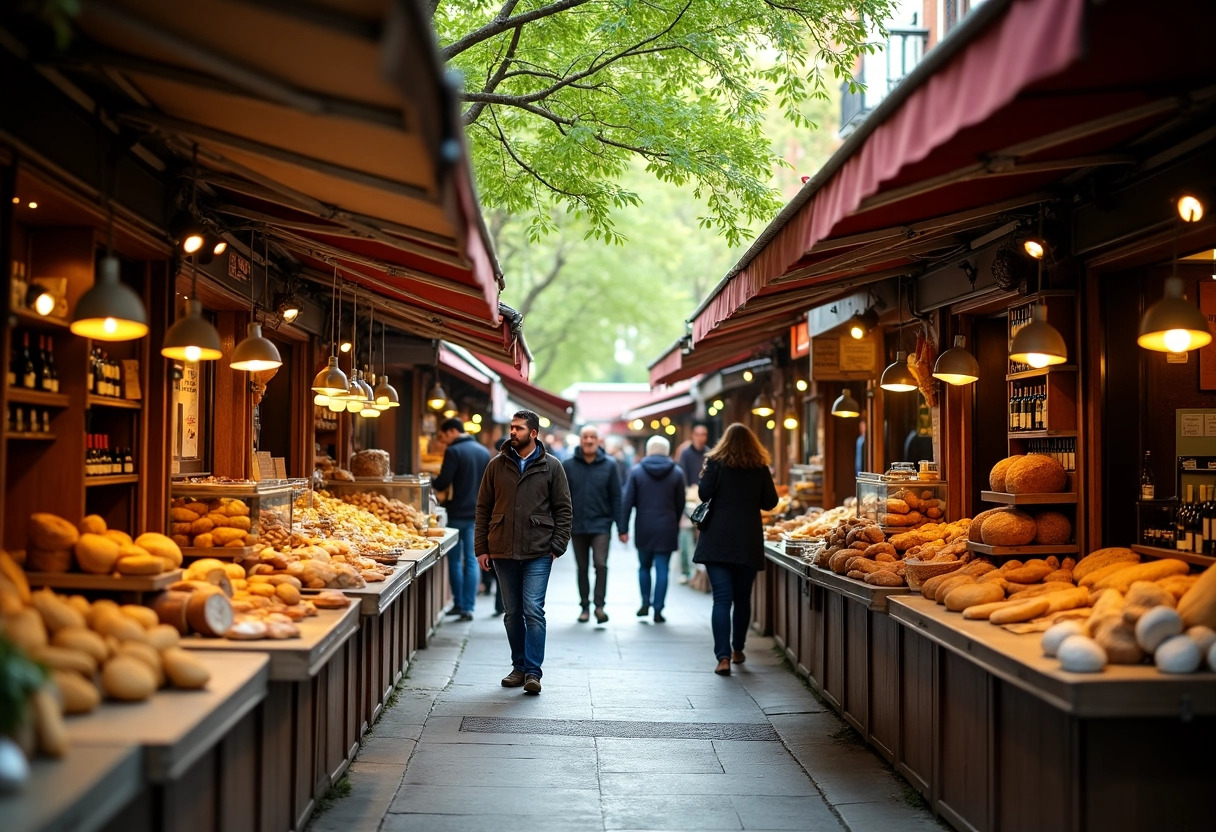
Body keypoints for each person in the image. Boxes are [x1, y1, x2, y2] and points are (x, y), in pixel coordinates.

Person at [475, 410, 572, 694]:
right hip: (502, 548)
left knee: (533, 610)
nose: (512, 432)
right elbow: (483, 508)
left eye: (518, 428)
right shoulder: (496, 465)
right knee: (512, 612)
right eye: (511, 427)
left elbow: (564, 510)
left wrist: (557, 546)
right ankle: (518, 667)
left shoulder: (552, 466)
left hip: (538, 550)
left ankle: (533, 672)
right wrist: (482, 547)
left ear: (533, 433)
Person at [692, 422, 779, 676]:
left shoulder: (715, 463)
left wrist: (708, 472)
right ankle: (738, 649)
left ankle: (723, 658)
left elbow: (703, 493)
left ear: (724, 442)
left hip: (717, 539)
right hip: (747, 540)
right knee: (742, 598)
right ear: (753, 444)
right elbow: (770, 502)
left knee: (721, 599)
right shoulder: (759, 466)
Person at [620, 435, 686, 623]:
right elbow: (680, 503)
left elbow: (627, 502)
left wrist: (623, 528)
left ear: (649, 450)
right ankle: (658, 609)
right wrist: (673, 519)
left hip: (644, 526)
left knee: (644, 567)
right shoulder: (677, 473)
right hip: (667, 526)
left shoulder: (637, 471)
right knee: (663, 568)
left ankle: (645, 602)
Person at [431, 417, 490, 621]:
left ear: (452, 432)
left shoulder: (454, 451)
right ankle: (469, 607)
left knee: (455, 561)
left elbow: (442, 483)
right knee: (473, 560)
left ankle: (458, 603)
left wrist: (429, 479)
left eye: (443, 436)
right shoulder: (483, 451)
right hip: (478, 515)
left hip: (456, 513)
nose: (443, 441)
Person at [562, 425, 622, 623]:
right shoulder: (568, 465)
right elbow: (561, 497)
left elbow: (616, 497)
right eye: (585, 437)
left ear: (598, 441)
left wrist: (622, 528)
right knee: (582, 567)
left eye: (592, 437)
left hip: (601, 525)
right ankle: (584, 607)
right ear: (580, 440)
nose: (589, 440)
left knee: (601, 564)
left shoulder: (610, 465)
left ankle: (599, 606)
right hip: (576, 525)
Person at [676, 423, 710, 583]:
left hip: (706, 502)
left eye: (704, 434)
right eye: (698, 434)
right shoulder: (685, 453)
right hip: (688, 500)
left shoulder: (709, 453)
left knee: (704, 536)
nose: (701, 438)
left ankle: (701, 573)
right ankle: (686, 571)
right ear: (693, 435)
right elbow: (681, 476)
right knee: (685, 536)